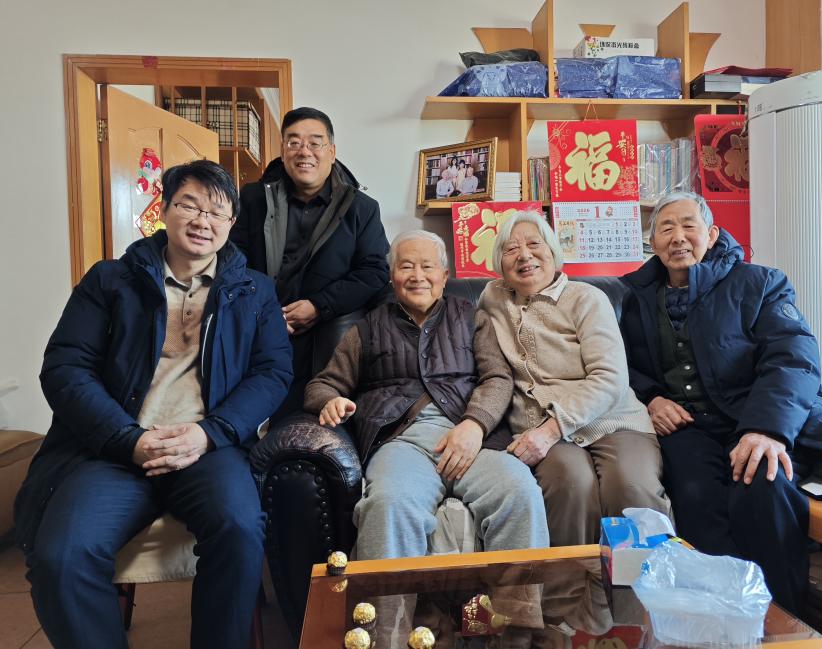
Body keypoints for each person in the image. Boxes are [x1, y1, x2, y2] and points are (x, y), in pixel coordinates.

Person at [15, 160, 294, 649]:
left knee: (240, 528)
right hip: (115, 450)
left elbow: (272, 373)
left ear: (231, 223)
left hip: (207, 448)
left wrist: (210, 433)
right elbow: (66, 368)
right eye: (189, 205)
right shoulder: (110, 281)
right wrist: (128, 439)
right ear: (163, 210)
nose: (202, 220)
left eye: (216, 211)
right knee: (62, 556)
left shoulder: (255, 291)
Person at [619, 191, 822, 614]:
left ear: (712, 234)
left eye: (689, 225)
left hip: (755, 416)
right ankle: (722, 617)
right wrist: (652, 398)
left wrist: (766, 429)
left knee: (763, 486)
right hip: (688, 426)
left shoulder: (760, 283)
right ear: (652, 243)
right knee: (694, 493)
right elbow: (619, 365)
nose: (678, 237)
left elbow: (793, 358)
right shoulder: (633, 297)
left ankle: (784, 620)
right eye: (666, 228)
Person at [304, 230, 549, 561]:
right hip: (402, 443)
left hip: (472, 440)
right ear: (392, 277)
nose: (417, 276)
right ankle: (389, 599)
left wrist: (475, 424)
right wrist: (330, 401)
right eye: (406, 267)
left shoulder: (471, 317)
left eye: (427, 267)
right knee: (389, 503)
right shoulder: (368, 328)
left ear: (444, 276)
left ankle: (518, 598)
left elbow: (497, 377)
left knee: (519, 491)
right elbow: (322, 384)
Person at [478, 210, 671, 549]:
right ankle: (569, 584)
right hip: (539, 426)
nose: (524, 255)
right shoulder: (493, 299)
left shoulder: (586, 298)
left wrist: (552, 429)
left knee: (630, 487)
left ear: (553, 252)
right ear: (500, 265)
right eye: (511, 249)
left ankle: (644, 584)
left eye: (534, 244)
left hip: (612, 421)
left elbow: (610, 377)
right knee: (570, 483)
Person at [231, 106, 389, 416]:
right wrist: (264, 309)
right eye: (294, 142)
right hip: (255, 329)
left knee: (302, 419)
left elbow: (374, 271)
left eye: (315, 143)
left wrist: (319, 306)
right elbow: (233, 261)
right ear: (283, 150)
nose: (304, 151)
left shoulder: (361, 208)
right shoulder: (253, 199)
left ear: (332, 151)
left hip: (324, 340)